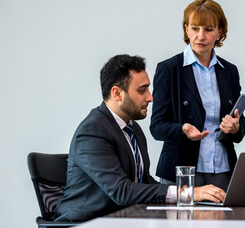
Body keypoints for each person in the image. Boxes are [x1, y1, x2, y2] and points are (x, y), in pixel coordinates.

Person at [55, 55, 225, 222]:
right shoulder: (92, 132)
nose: (150, 97)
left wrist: (189, 194)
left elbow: (144, 181)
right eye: (142, 90)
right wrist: (187, 193)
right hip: (86, 223)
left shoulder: (132, 128)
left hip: (124, 219)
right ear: (117, 93)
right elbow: (122, 191)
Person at [150, 0, 245, 191]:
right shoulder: (169, 69)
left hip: (222, 169)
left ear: (220, 32)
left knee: (224, 221)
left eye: (208, 29)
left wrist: (235, 128)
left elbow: (240, 123)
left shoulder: (230, 71)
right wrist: (182, 129)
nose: (200, 36)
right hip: (181, 169)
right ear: (186, 29)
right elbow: (157, 126)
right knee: (179, 221)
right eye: (195, 28)